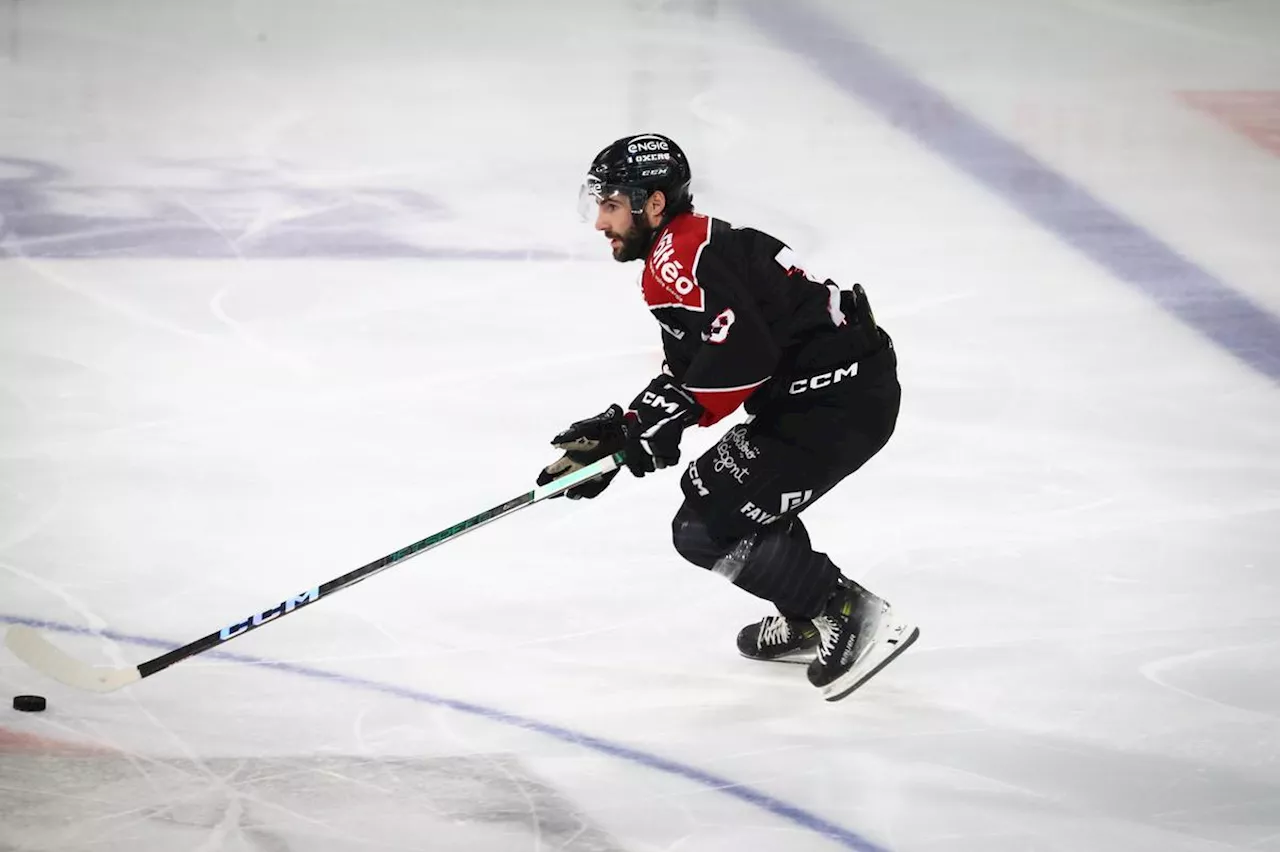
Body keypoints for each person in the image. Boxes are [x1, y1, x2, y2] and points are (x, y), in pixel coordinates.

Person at [537, 133, 918, 702]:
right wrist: (625, 432)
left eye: (611, 204)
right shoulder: (685, 250)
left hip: (836, 402)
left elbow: (744, 355)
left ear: (655, 204)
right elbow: (697, 365)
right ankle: (806, 610)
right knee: (709, 495)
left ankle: (847, 611)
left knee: (707, 526)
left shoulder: (679, 257)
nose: (600, 222)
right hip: (830, 395)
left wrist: (671, 418)